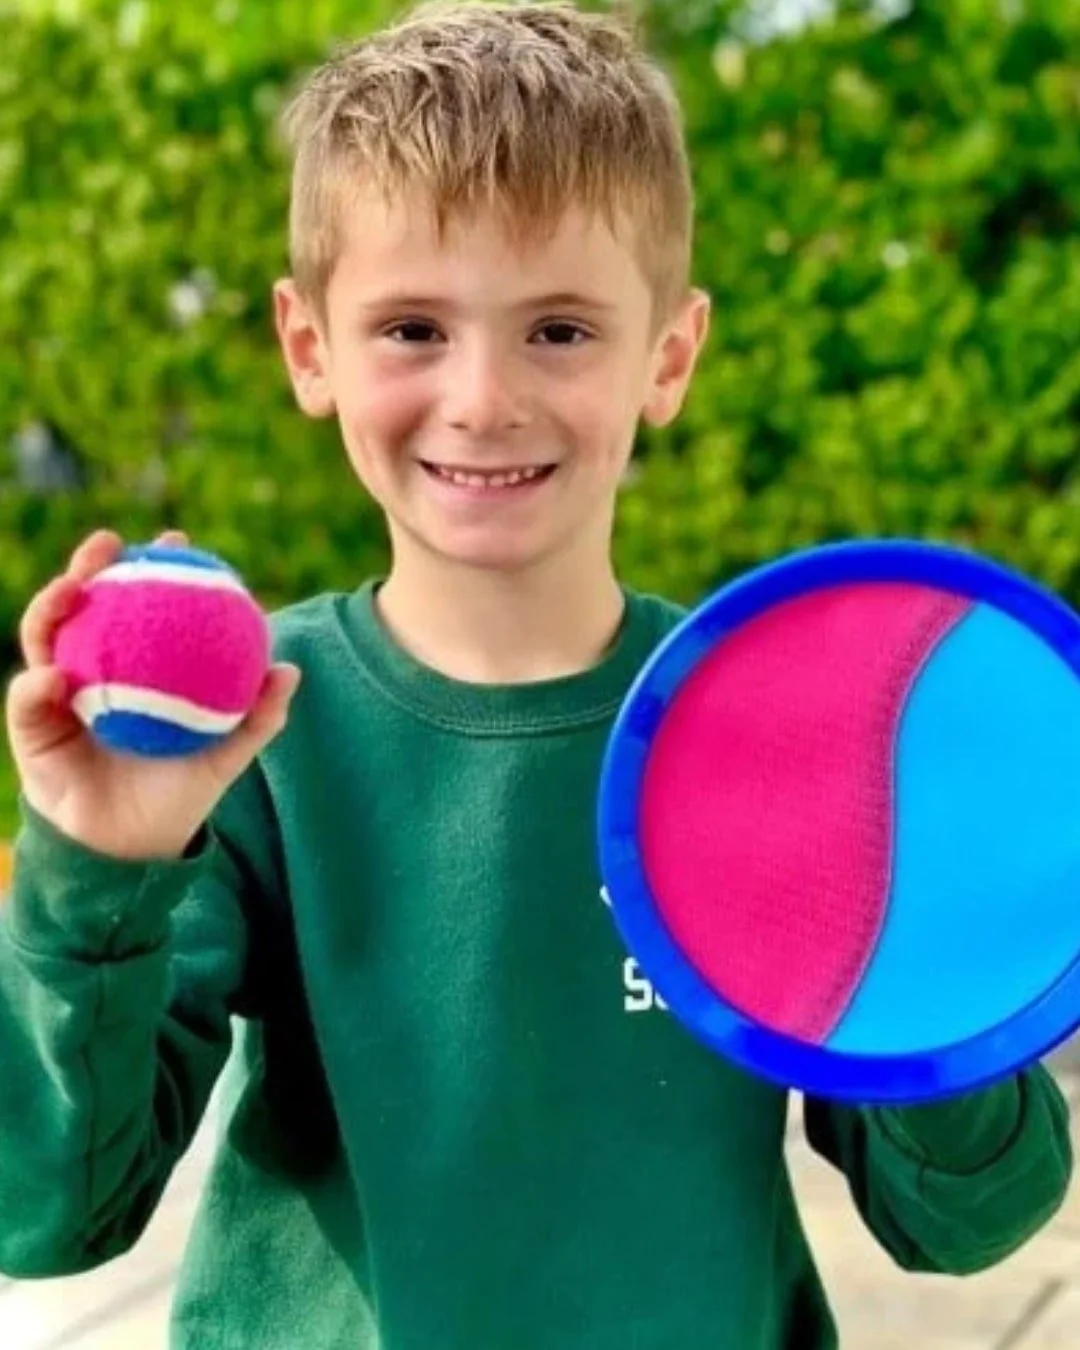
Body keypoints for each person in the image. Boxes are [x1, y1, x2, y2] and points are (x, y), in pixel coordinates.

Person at [0, 3, 1072, 1347]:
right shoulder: (253, 732)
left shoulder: (767, 722)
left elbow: (970, 1219)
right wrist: (93, 867)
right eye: (411, 328)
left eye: (559, 328)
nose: (484, 396)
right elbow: (42, 1209)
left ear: (667, 357)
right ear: (308, 346)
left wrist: (929, 953)